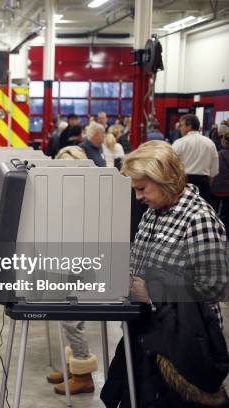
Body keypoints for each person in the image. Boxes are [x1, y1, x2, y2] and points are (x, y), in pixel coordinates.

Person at [102, 141, 228, 407]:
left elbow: (214, 286)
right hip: (151, 332)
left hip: (183, 345)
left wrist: (153, 291)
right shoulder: (154, 213)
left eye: (142, 189)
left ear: (165, 179)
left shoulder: (199, 218)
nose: (137, 197)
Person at [46, 146, 98, 396]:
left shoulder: (87, 194)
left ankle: (83, 373)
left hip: (82, 260)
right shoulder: (71, 191)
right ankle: (73, 366)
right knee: (68, 317)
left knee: (71, 318)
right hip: (69, 257)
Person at [172, 114, 219, 207]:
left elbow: (170, 164)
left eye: (181, 125)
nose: (180, 128)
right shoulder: (210, 143)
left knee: (182, 212)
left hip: (184, 183)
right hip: (204, 184)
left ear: (189, 125)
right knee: (202, 212)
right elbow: (214, 170)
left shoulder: (179, 143)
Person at [212, 125, 229, 228]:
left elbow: (214, 171)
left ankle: (214, 229)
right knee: (226, 214)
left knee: (213, 211)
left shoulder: (218, 154)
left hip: (217, 188)